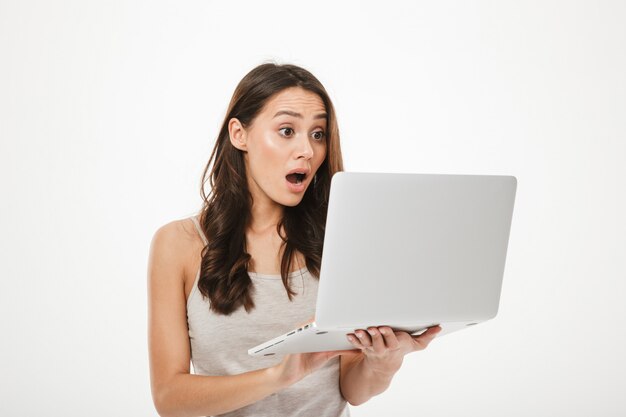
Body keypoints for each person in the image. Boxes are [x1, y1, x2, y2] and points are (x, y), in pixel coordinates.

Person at [147, 63, 441, 417]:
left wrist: (383, 362)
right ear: (239, 134)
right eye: (287, 130)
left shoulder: (343, 239)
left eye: (318, 134)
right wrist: (278, 375)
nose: (307, 150)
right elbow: (169, 398)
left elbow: (352, 389)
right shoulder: (178, 244)